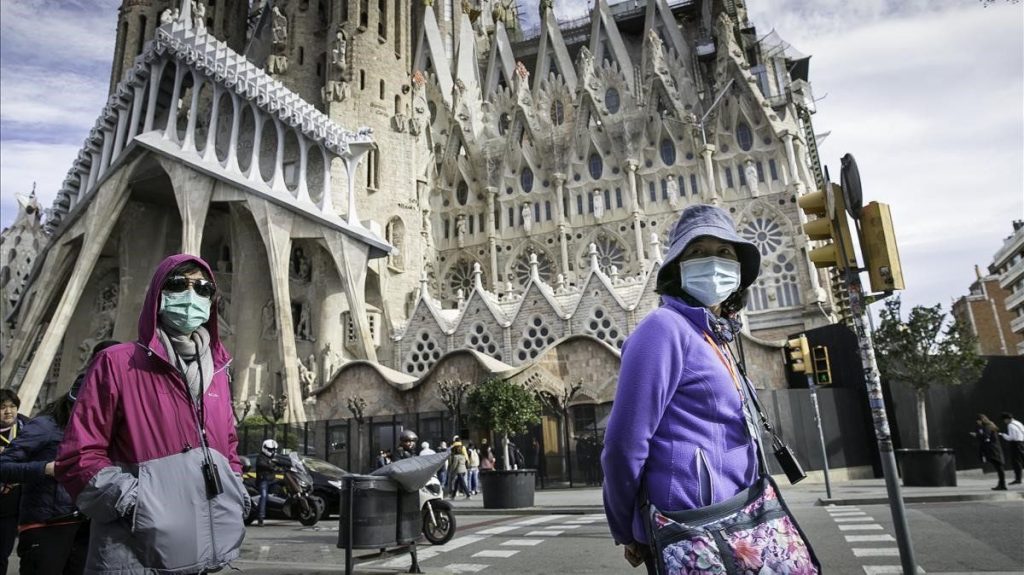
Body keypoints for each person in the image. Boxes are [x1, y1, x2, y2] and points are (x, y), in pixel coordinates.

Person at [55, 254, 250, 574]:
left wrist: (235, 491)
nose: (192, 296)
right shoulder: (117, 362)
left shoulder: (217, 373)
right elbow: (78, 456)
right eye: (178, 285)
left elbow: (227, 446)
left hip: (203, 556)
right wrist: (137, 502)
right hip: (134, 556)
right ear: (157, 294)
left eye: (203, 289)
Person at [601, 204, 766, 573]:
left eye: (724, 252)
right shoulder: (663, 329)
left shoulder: (715, 336)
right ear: (678, 267)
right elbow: (623, 445)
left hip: (736, 519)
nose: (713, 261)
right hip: (690, 528)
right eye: (697, 251)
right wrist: (628, 527)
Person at [0, 340, 115, 575]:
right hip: (46, 525)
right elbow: (4, 466)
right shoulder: (45, 426)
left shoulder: (101, 430)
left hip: (85, 524)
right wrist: (46, 468)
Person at [1, 388, 29, 573]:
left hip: (15, 505)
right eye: (2, 407)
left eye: (12, 406)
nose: (8, 411)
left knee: (3, 553)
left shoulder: (28, 428)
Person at [973, 414, 1007, 491]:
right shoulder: (991, 425)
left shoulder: (987, 426)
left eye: (978, 421)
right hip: (995, 449)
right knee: (999, 468)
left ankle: (1002, 484)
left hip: (993, 450)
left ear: (981, 420)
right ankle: (1002, 484)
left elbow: (986, 436)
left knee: (999, 467)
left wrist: (977, 435)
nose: (978, 423)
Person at [255, 439, 279, 527]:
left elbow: (280, 462)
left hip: (272, 480)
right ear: (265, 448)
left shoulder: (273, 458)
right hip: (263, 480)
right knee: (264, 496)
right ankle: (260, 517)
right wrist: (271, 466)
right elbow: (261, 464)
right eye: (270, 449)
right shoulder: (261, 457)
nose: (272, 452)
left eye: (273, 450)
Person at [999, 412, 1024, 485]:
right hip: (1022, 442)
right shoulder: (1018, 423)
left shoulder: (1010, 425)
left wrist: (1003, 435)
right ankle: (1018, 479)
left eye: (1004, 420)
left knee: (1016, 462)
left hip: (1016, 444)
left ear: (1007, 419)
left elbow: (1011, 437)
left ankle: (1018, 479)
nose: (1004, 422)